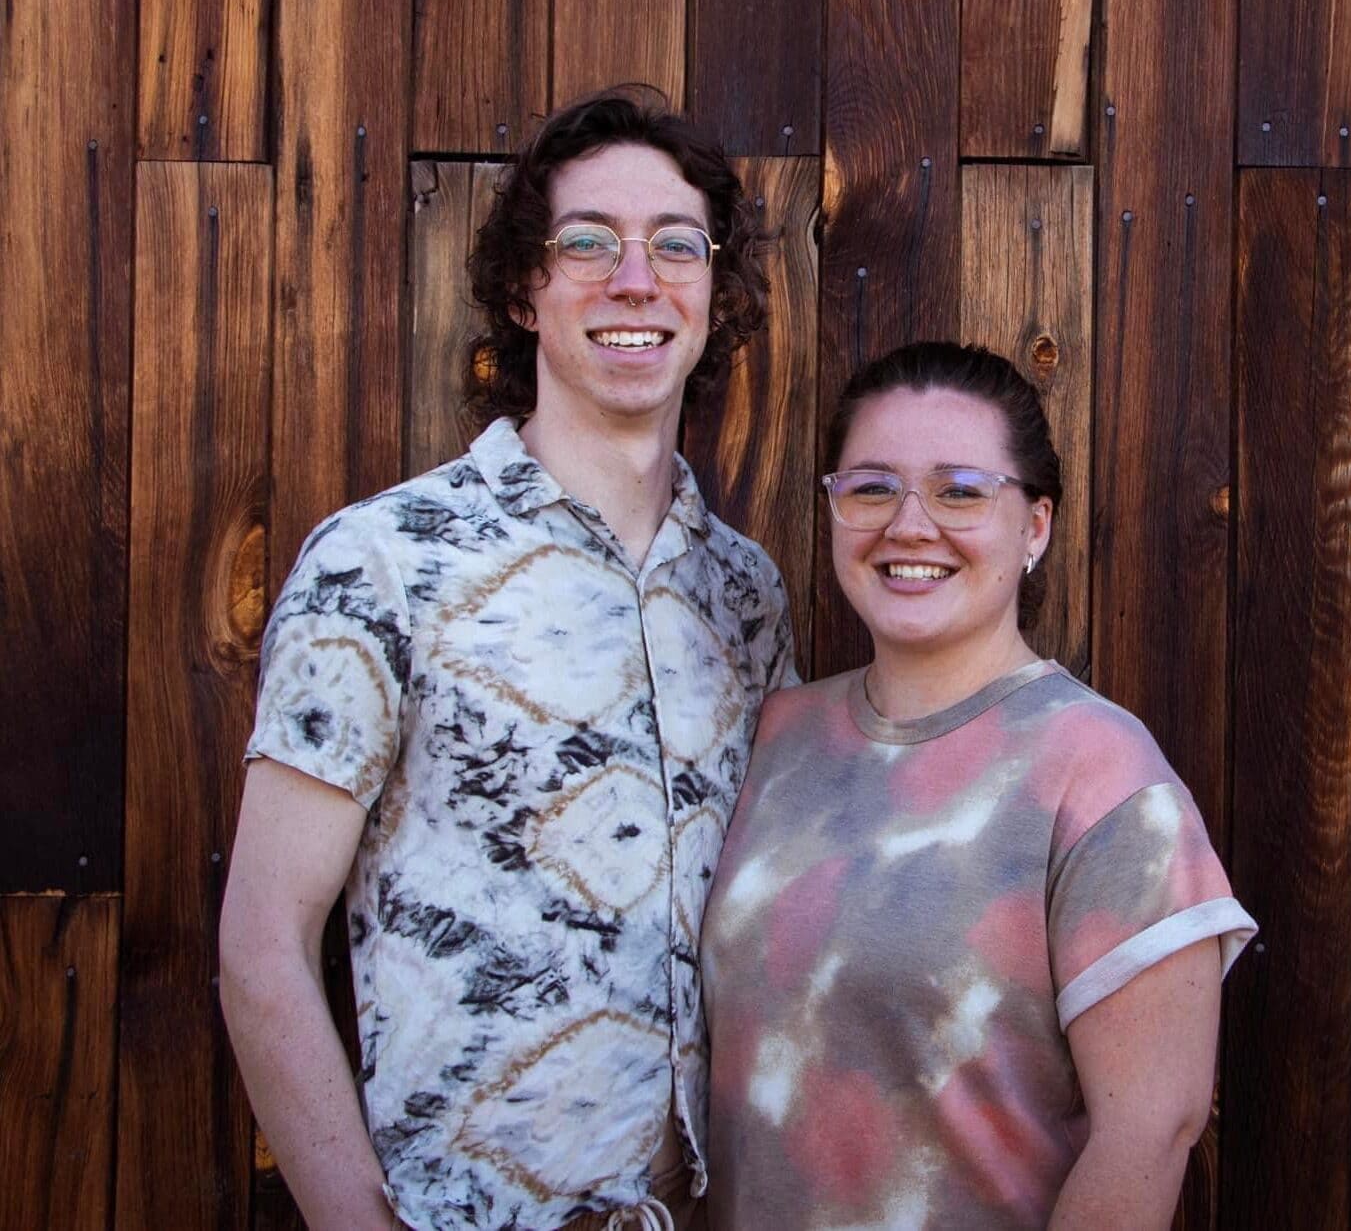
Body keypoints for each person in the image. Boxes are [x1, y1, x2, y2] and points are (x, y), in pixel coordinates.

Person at [219, 87, 796, 1231]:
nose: (635, 277)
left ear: (711, 292)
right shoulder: (386, 560)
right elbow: (261, 942)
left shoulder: (746, 594)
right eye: (586, 241)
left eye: (675, 244)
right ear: (525, 288)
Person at [700, 341, 1256, 1230]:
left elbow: (1150, 1132)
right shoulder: (772, 739)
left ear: (1034, 525)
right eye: (871, 487)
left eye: (959, 490)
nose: (909, 525)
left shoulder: (1099, 772)